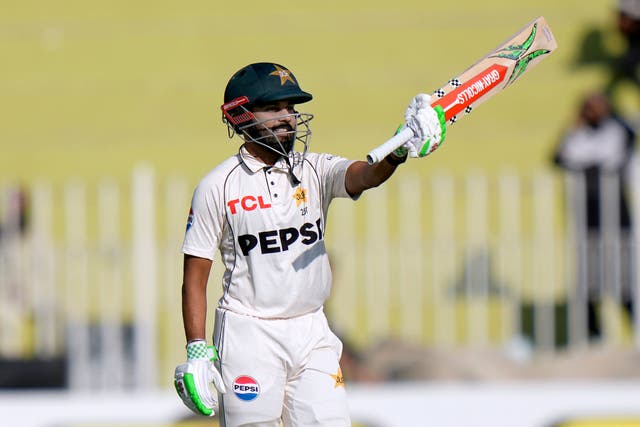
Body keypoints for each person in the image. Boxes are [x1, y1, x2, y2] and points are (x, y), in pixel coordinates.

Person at [171, 62, 446, 426]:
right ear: (239, 115)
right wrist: (197, 349)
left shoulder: (314, 169)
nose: (288, 117)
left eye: (291, 108)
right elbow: (195, 277)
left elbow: (363, 176)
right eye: (274, 108)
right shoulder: (218, 186)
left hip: (312, 330)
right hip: (249, 334)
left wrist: (398, 149)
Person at [552, 91, 636, 341]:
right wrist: (575, 125)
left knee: (623, 275)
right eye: (588, 107)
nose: (593, 111)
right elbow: (559, 157)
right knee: (589, 276)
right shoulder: (577, 134)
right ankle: (594, 334)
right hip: (587, 213)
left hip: (616, 213)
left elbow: (620, 148)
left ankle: (633, 327)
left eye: (598, 106)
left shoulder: (617, 130)